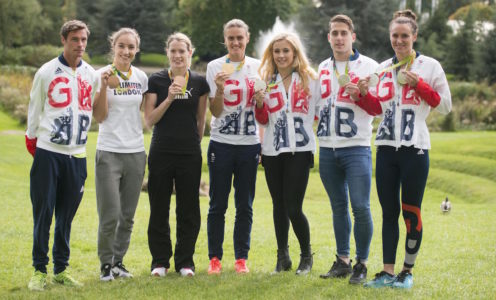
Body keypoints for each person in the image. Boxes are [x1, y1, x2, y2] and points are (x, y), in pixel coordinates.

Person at [356, 10, 452, 288]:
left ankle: (406, 272)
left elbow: (445, 106)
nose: (399, 41)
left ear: (414, 36)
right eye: (395, 36)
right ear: (390, 37)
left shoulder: (429, 66)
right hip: (386, 148)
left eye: (404, 36)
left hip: (415, 149)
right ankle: (387, 272)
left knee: (411, 211)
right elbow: (378, 109)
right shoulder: (383, 69)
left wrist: (418, 84)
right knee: (388, 213)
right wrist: (361, 95)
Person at [25, 20, 102, 291]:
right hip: (48, 154)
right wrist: (35, 144)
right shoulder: (46, 71)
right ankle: (38, 270)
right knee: (43, 214)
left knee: (65, 218)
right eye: (74, 40)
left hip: (77, 157)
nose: (80, 45)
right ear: (63, 40)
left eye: (83, 40)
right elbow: (34, 110)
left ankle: (60, 269)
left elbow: (93, 107)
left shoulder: (91, 74)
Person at [315, 15, 379, 285]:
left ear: (353, 36)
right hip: (328, 148)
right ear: (329, 37)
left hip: (356, 147)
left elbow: (379, 109)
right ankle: (343, 261)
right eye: (334, 33)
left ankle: (361, 263)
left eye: (344, 33)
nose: (339, 38)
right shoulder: (322, 67)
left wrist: (360, 95)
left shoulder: (369, 66)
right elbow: (317, 107)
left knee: (361, 207)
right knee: (338, 206)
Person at [144, 32, 209, 277]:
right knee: (159, 207)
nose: (178, 55)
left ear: (190, 53)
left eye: (183, 51)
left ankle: (185, 262)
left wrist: (194, 144)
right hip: (161, 152)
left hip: (189, 154)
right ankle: (159, 261)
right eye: (173, 51)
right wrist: (170, 97)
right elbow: (150, 120)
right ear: (168, 53)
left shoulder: (200, 83)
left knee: (188, 209)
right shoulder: (157, 80)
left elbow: (201, 120)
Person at [255, 33, 318, 275]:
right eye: (276, 51)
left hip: (300, 150)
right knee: (278, 205)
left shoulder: (310, 80)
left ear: (295, 53)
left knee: (293, 207)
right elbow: (262, 120)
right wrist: (260, 103)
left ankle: (306, 255)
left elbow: (320, 111)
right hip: (272, 150)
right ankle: (283, 257)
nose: (281, 55)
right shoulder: (266, 82)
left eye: (285, 51)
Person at [206, 19, 261, 274]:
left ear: (247, 38)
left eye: (240, 37)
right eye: (231, 38)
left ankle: (241, 259)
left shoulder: (259, 67)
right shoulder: (215, 67)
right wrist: (218, 89)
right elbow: (215, 111)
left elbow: (263, 112)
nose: (236, 42)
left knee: (245, 204)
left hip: (249, 144)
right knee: (218, 203)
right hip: (222, 143)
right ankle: (214, 258)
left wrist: (261, 100)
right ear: (225, 40)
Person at [93, 28, 148, 281]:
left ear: (136, 49)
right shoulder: (100, 74)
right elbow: (100, 116)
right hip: (109, 152)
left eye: (131, 47)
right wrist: (104, 86)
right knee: (110, 214)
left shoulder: (141, 78)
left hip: (136, 153)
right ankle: (105, 264)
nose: (126, 51)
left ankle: (118, 262)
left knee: (127, 216)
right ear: (113, 47)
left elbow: (147, 116)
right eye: (121, 46)